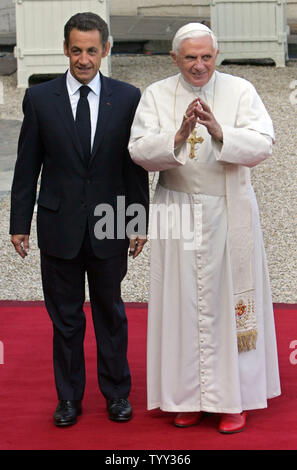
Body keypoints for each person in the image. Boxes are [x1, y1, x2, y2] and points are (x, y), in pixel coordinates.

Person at [128, 23, 281, 433]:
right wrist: (177, 136)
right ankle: (187, 396)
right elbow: (138, 150)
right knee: (181, 304)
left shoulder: (240, 91)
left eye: (206, 57)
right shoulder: (157, 94)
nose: (199, 66)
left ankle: (235, 399)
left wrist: (219, 132)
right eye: (191, 58)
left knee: (228, 304)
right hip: (177, 208)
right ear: (175, 58)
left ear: (217, 56)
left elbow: (265, 143)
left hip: (229, 208)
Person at [10, 12, 149, 427]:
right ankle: (68, 399)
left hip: (111, 223)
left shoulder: (127, 97)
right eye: (76, 50)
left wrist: (138, 220)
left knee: (111, 313)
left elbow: (135, 167)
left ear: (105, 50)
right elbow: (26, 165)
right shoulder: (40, 99)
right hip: (58, 228)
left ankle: (117, 394)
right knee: (66, 319)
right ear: (65, 49)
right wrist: (20, 223)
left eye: (92, 50)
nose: (83, 59)